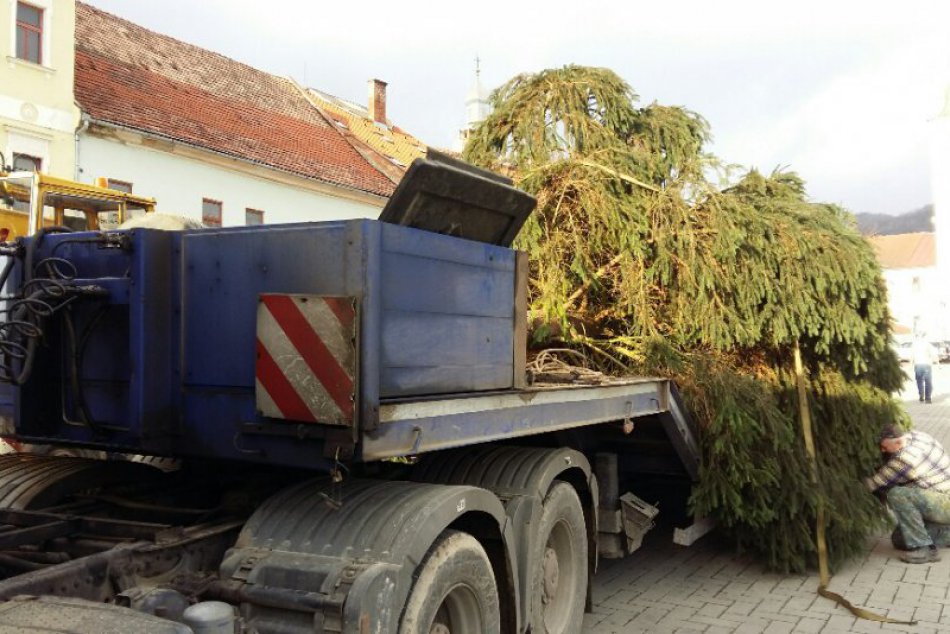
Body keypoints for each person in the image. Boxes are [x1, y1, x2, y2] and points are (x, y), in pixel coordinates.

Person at [866, 424, 950, 563]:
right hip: (938, 496)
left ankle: (924, 550)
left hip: (945, 503)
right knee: (899, 539)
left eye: (885, 447)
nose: (882, 450)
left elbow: (873, 484)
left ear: (898, 442)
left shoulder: (905, 459)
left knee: (897, 495)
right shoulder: (917, 436)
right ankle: (945, 533)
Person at [911, 336, 939, 403]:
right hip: (927, 364)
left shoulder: (915, 345)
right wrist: (938, 364)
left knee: (919, 381)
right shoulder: (927, 344)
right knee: (928, 382)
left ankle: (921, 394)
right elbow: (933, 355)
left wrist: (910, 365)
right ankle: (928, 398)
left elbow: (912, 356)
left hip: (917, 364)